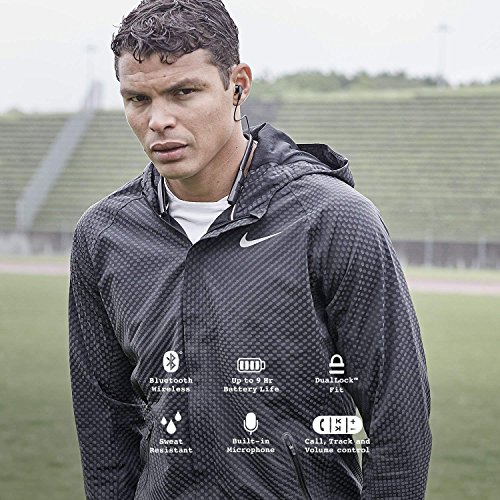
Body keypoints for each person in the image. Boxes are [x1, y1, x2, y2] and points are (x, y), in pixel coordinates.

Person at [68, 0, 432, 499]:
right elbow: (105, 431)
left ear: (237, 85)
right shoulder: (102, 235)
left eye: (183, 92)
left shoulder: (333, 219)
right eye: (138, 99)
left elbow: (399, 419)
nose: (158, 120)